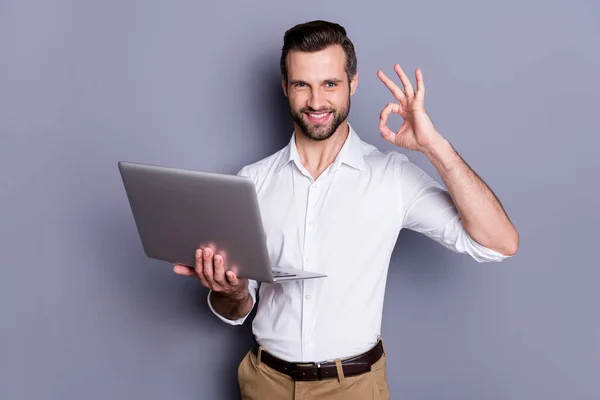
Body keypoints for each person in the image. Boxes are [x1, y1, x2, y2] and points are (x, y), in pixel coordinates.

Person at [174, 20, 519, 400]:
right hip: (264, 383)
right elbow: (236, 308)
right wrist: (233, 290)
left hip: (354, 388)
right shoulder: (251, 181)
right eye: (302, 84)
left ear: (352, 84)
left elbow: (499, 242)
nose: (317, 102)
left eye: (330, 84)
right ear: (285, 88)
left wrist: (433, 145)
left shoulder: (392, 178)